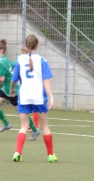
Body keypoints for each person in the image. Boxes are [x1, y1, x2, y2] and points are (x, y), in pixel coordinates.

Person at [10, 34, 57, 162]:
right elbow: (45, 80)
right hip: (39, 97)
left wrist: (11, 89)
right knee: (45, 126)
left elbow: (14, 79)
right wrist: (51, 96)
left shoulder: (19, 60)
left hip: (24, 96)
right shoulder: (42, 60)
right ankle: (51, 155)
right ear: (38, 45)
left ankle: (17, 153)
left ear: (26, 46)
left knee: (24, 126)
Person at [0, 39, 40, 141]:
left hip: (13, 90)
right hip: (6, 88)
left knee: (22, 112)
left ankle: (35, 130)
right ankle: (6, 123)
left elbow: (2, 79)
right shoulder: (7, 60)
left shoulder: (1, 62)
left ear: (1, 50)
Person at [21, 46, 39, 131]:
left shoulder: (26, 62)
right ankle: (30, 125)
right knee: (28, 107)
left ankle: (34, 126)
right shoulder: (35, 60)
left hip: (30, 87)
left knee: (32, 108)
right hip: (30, 87)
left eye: (23, 53)